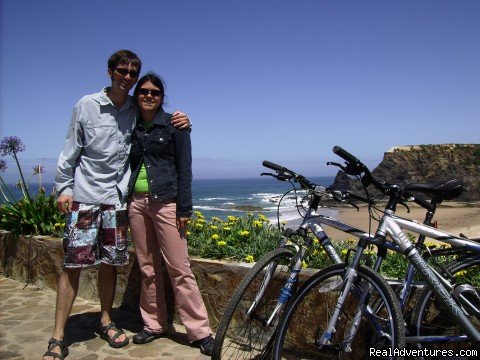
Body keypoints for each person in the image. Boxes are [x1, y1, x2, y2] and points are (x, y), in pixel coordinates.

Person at [43, 50, 191, 360]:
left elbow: (159, 119)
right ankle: (58, 336)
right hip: (84, 198)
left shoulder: (135, 110)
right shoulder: (87, 105)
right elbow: (70, 149)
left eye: (132, 73)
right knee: (73, 265)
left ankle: (106, 320)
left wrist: (182, 119)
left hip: (116, 202)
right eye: (122, 70)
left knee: (110, 264)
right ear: (110, 72)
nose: (127, 77)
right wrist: (63, 188)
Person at [127, 72, 214, 355]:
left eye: (155, 92)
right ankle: (154, 324)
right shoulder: (132, 126)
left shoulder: (176, 126)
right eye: (144, 91)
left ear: (162, 97)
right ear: (137, 95)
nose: (149, 95)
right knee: (147, 268)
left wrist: (184, 208)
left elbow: (185, 170)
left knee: (180, 269)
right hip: (137, 203)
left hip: (167, 202)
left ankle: (200, 332)